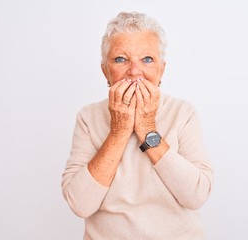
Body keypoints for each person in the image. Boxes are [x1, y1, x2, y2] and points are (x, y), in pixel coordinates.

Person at [61, 11, 214, 240]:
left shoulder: (183, 113)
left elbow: (196, 195)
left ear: (161, 70)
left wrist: (147, 130)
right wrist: (119, 131)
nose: (134, 72)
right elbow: (80, 204)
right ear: (105, 71)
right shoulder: (88, 117)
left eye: (147, 59)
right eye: (121, 59)